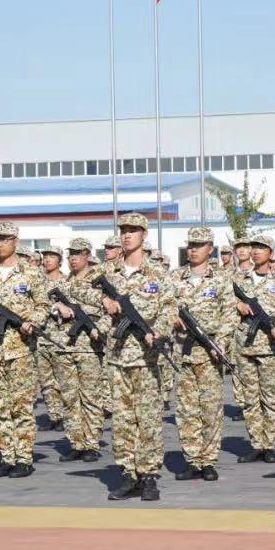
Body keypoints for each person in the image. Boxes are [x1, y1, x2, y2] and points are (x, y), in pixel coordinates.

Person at [73, 213, 176, 501]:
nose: (127, 235)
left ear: (144, 235)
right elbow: (74, 287)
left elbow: (169, 308)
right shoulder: (107, 271)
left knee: (149, 419)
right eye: (124, 230)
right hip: (117, 357)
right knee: (122, 420)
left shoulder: (157, 273)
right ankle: (128, 474)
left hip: (147, 358)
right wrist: (102, 299)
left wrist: (159, 331)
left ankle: (149, 475)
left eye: (133, 230)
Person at [0, 222, 50, 479]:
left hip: (21, 349)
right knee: (0, 407)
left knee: (21, 407)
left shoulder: (31, 273)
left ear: (15, 241)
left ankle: (23, 458)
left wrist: (32, 322)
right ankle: (7, 456)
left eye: (4, 239)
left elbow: (43, 306)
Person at [171, 227, 234, 481]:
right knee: (187, 410)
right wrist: (172, 318)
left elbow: (229, 313)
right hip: (183, 353)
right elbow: (163, 306)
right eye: (191, 245)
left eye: (199, 245)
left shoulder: (221, 278)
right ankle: (192, 460)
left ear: (210, 249)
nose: (193, 250)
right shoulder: (175, 277)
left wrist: (221, 343)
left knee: (211, 409)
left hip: (210, 353)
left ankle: (208, 460)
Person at [232, 235, 275, 464]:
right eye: (254, 248)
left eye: (262, 248)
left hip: (269, 346)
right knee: (250, 399)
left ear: (271, 254)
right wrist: (238, 304)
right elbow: (224, 301)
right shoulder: (239, 279)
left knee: (270, 398)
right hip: (245, 346)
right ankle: (256, 444)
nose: (256, 252)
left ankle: (269, 445)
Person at [53, 238, 109, 463]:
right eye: (71, 255)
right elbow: (48, 303)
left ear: (87, 255)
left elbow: (111, 309)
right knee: (69, 397)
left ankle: (91, 443)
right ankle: (76, 442)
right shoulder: (64, 282)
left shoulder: (99, 280)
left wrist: (98, 328)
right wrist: (58, 307)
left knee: (90, 397)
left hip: (89, 347)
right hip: (65, 345)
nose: (73, 259)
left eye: (78, 254)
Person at [36, 246, 68, 432]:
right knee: (46, 381)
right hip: (41, 337)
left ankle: (66, 415)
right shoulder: (37, 281)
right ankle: (55, 416)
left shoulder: (67, 282)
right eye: (45, 256)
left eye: (52, 257)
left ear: (60, 261)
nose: (47, 260)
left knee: (63, 379)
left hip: (61, 337)